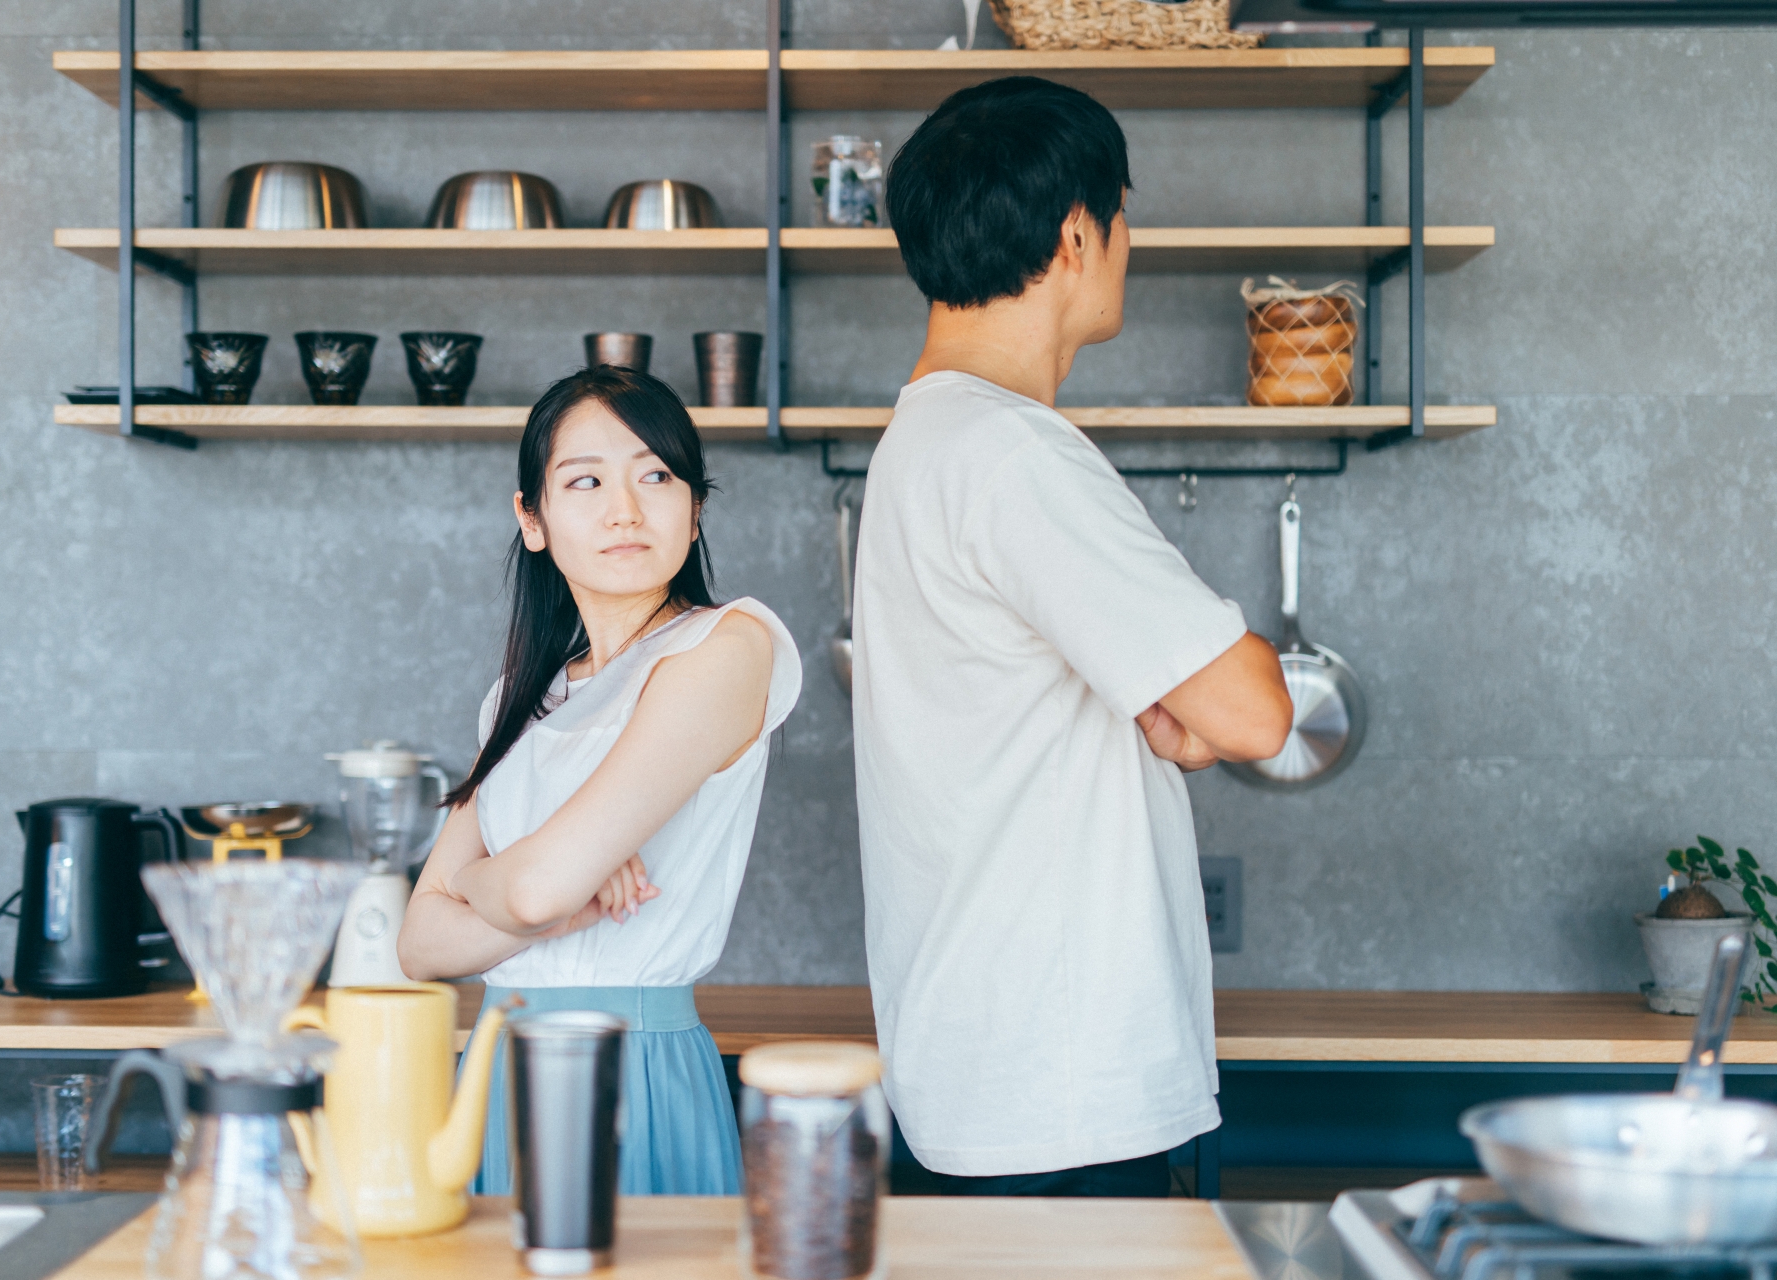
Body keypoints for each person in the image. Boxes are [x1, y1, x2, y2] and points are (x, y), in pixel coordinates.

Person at [852, 76, 1296, 1197]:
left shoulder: (927, 440)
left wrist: (1172, 703)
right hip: (1055, 1097)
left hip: (989, 1074)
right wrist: (1194, 708)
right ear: (1077, 234)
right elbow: (1255, 710)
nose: (1130, 245)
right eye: (1126, 217)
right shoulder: (1014, 455)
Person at [398, 364, 802, 1196]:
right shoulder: (520, 700)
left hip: (636, 1063)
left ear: (696, 513)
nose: (625, 509)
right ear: (533, 518)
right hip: (498, 1065)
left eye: (657, 476)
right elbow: (419, 945)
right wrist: (546, 887)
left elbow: (531, 892)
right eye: (585, 480)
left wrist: (482, 880)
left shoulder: (726, 647)